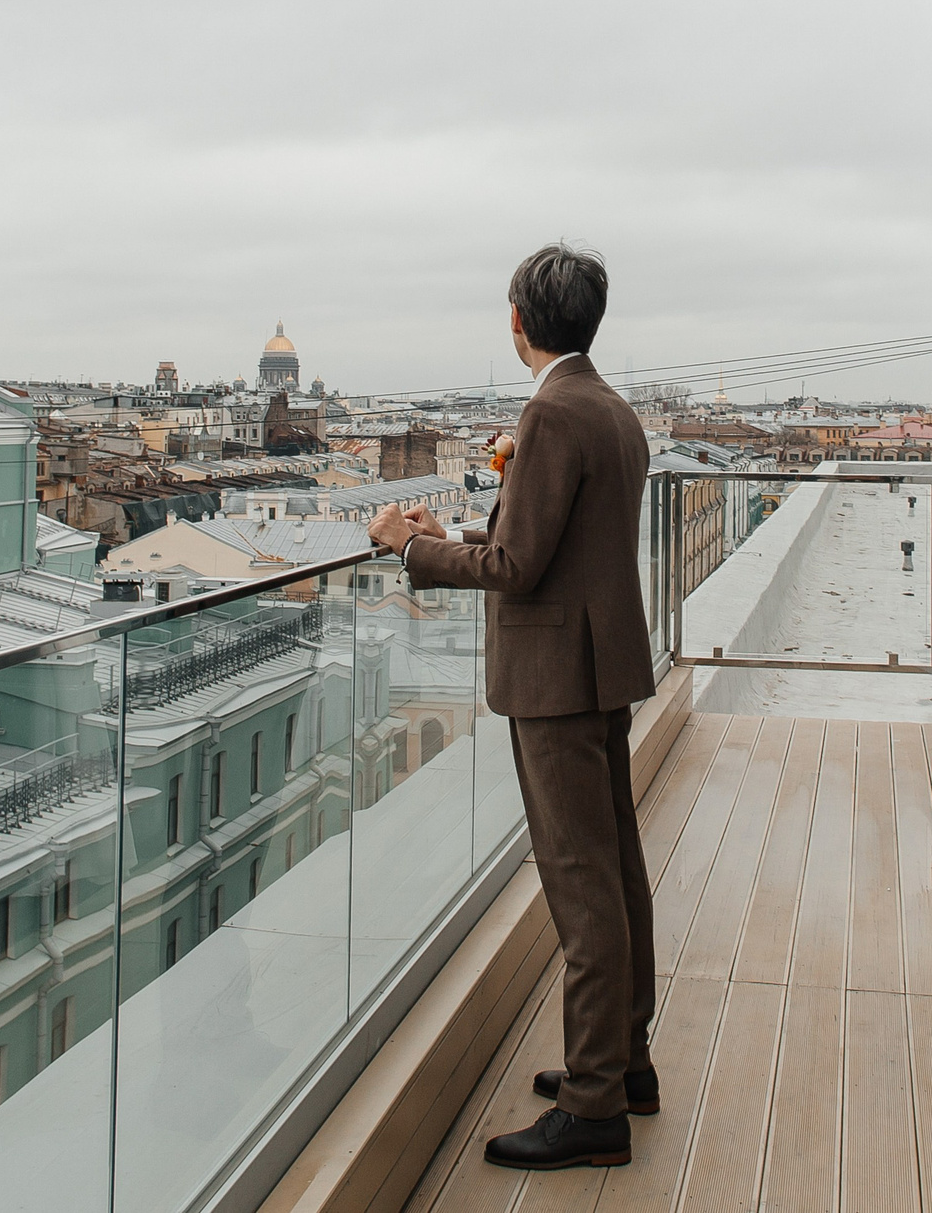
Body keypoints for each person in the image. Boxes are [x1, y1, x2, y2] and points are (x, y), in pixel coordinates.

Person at [369, 243, 656, 1171]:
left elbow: (516, 567)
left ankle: (592, 1105)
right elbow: (546, 540)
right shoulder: (610, 408)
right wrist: (448, 529)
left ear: (521, 321)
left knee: (580, 885)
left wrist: (405, 551)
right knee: (616, 868)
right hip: (602, 667)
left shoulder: (551, 415)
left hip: (554, 680)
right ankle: (623, 1062)